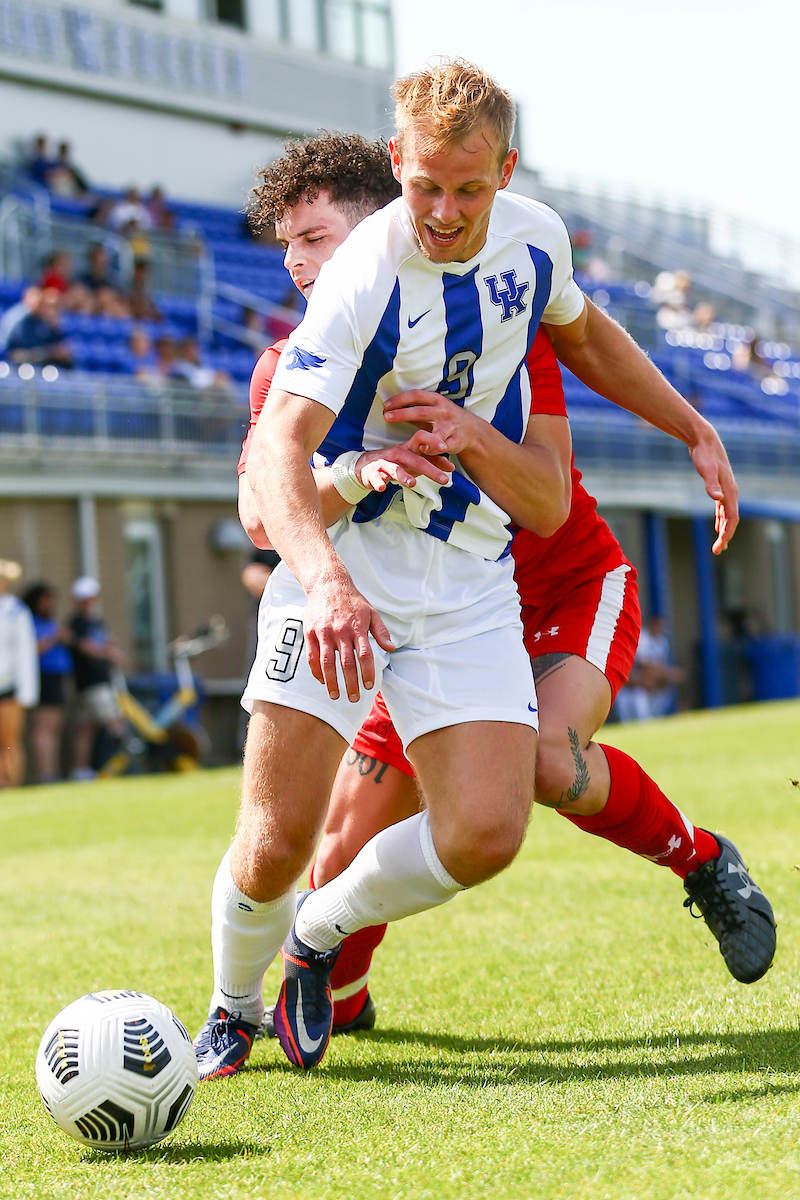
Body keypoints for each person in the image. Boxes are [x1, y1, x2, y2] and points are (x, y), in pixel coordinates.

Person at [195, 63, 751, 1080]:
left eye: (469, 189)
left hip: (468, 575)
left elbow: (578, 348)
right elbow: (270, 474)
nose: (445, 213)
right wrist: (334, 556)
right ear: (397, 169)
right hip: (344, 584)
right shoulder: (357, 286)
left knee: (490, 827)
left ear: (503, 173)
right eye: (426, 189)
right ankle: (231, 1008)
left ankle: (314, 938)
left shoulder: (528, 254)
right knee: (278, 841)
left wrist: (688, 425)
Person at [68, 577, 125, 781]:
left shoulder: (97, 621)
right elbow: (84, 646)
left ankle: (80, 769)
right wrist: (108, 653)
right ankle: (125, 762)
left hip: (103, 679)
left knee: (86, 728)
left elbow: (109, 641)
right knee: (113, 722)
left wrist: (114, 650)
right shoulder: (76, 622)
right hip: (91, 682)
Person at [23, 583, 72, 783]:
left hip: (57, 677)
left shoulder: (48, 621)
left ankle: (51, 772)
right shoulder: (27, 620)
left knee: (55, 728)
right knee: (42, 728)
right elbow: (31, 649)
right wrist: (55, 637)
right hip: (43, 677)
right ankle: (44, 774)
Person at [0, 560, 39, 786]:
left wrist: (27, 692)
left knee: (9, 741)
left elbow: (25, 654)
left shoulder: (15, 611)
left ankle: (11, 782)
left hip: (9, 687)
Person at [4, 288, 72, 368]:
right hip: (19, 364)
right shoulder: (19, 321)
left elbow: (62, 349)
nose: (38, 306)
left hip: (41, 364)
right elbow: (15, 352)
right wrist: (48, 352)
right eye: (36, 302)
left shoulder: (45, 322)